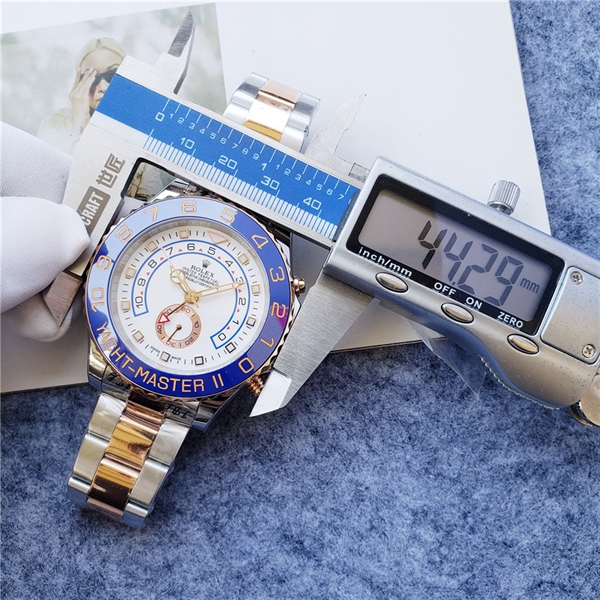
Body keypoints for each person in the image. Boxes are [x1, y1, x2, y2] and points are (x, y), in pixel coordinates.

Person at [37, 38, 166, 200]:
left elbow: (150, 199)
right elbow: (50, 184)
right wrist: (79, 121)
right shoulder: (55, 124)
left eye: (112, 75)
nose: (103, 87)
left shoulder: (142, 130)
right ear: (79, 81)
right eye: (91, 77)